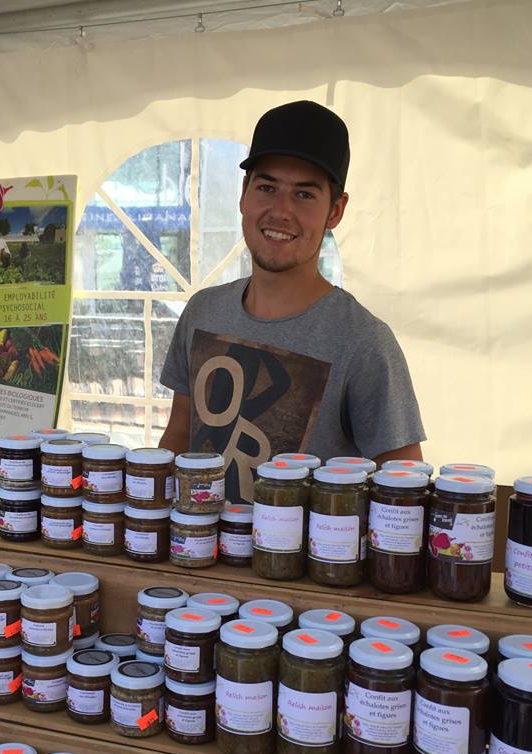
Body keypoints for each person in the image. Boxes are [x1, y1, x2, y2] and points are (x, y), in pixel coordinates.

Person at [160, 101, 426, 502]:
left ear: (335, 211)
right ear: (244, 195)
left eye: (304, 194)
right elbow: (180, 434)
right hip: (199, 554)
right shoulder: (203, 311)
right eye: (267, 188)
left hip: (307, 564)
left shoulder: (363, 340)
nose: (280, 211)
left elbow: (405, 484)